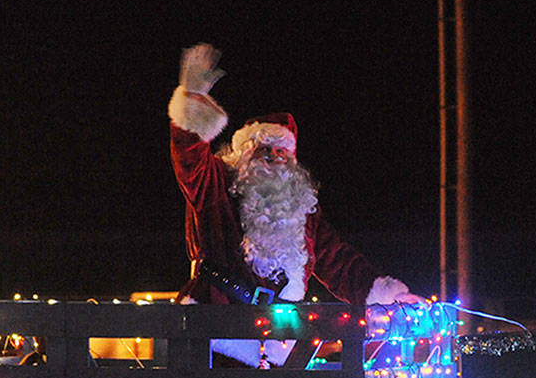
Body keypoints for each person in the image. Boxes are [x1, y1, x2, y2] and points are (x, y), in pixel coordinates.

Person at [168, 43, 422, 328]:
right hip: (215, 330)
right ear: (244, 154)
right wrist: (193, 100)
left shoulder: (302, 210)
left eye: (281, 153)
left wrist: (391, 297)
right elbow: (189, 160)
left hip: (277, 337)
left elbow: (338, 263)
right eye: (264, 150)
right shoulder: (217, 186)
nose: (274, 159)